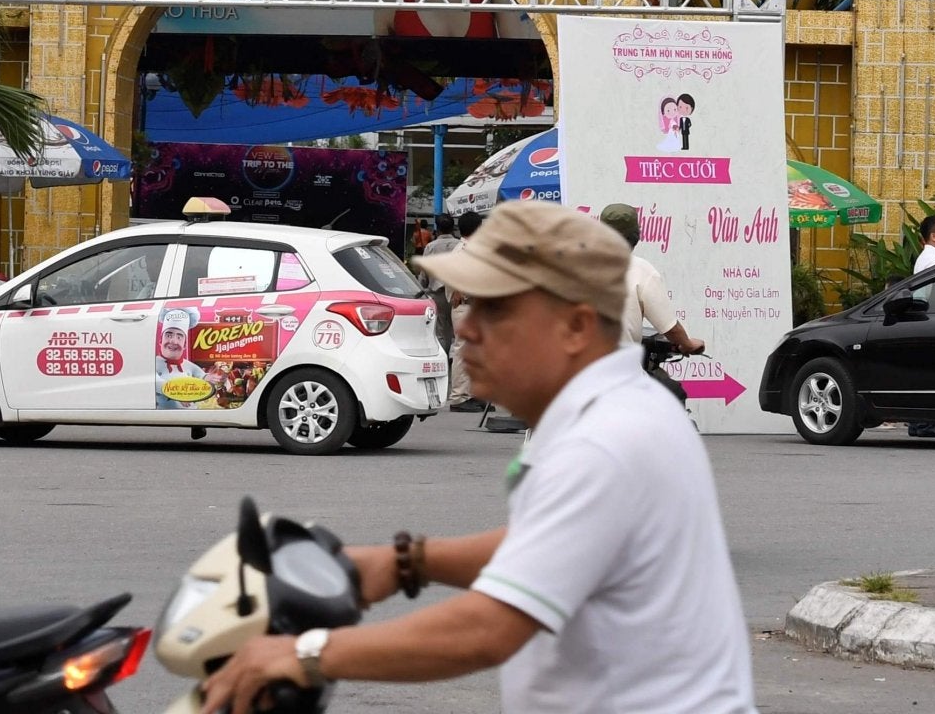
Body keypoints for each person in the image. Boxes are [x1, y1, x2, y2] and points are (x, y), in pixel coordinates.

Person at [197, 199, 752, 714]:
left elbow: (489, 629)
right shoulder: (615, 407)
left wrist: (305, 654)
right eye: (469, 307)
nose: (467, 330)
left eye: (497, 311)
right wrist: (408, 562)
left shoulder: (604, 442)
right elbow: (549, 542)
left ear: (577, 326)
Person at [598, 204, 704, 356]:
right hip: (619, 370)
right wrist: (687, 344)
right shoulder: (640, 270)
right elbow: (670, 328)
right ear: (636, 235)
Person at [437, 210, 487, 411]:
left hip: (474, 306)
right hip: (465, 306)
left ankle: (471, 393)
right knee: (462, 350)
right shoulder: (463, 250)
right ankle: (458, 397)